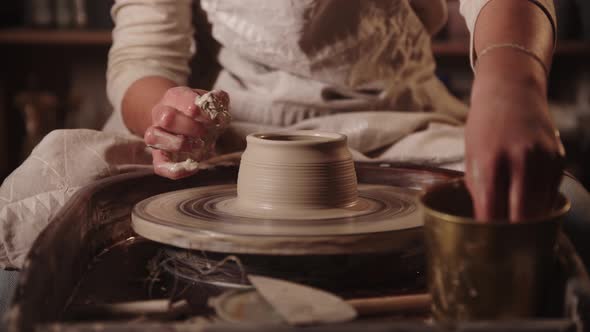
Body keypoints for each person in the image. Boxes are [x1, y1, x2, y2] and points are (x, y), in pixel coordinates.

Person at [0, 0, 589, 319]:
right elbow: (140, 61)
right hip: (236, 126)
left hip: (398, 121)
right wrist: (170, 115)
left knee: (571, 211)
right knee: (48, 180)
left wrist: (512, 81)